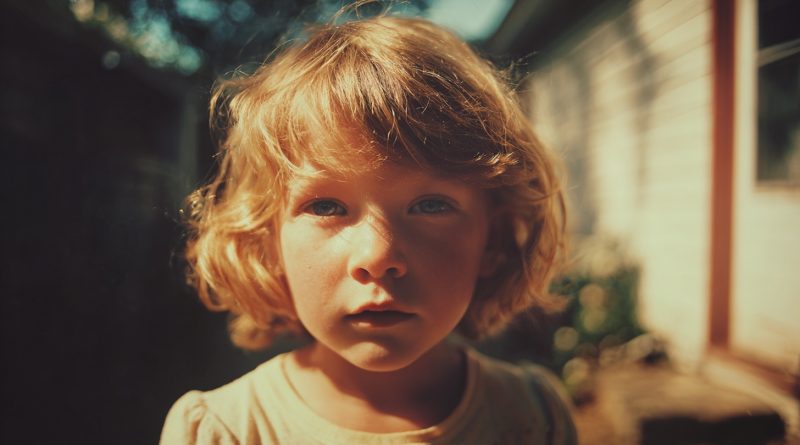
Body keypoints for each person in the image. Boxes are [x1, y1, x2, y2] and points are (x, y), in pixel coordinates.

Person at [161, 9, 577, 445]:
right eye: (325, 206)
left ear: (493, 238)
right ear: (267, 241)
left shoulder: (534, 416)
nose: (379, 257)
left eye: (431, 204)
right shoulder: (221, 431)